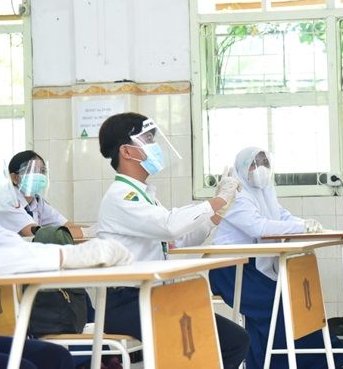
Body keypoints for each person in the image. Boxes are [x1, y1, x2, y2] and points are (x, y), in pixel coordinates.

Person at [0, 118, 133, 369]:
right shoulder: (6, 203)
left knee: (54, 357)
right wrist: (64, 257)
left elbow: (13, 244)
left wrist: (76, 252)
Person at [95, 112, 249, 369]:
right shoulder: (121, 196)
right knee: (226, 341)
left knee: (233, 339)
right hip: (126, 303)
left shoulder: (143, 195)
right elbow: (170, 225)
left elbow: (180, 238)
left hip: (154, 297)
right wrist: (216, 201)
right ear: (126, 151)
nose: (154, 147)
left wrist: (216, 214)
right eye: (146, 140)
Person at [208, 147, 343, 369]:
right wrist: (300, 226)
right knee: (283, 309)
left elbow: (282, 216)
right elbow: (258, 228)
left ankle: (266, 365)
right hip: (230, 270)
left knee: (278, 314)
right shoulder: (237, 195)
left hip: (253, 267)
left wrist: (308, 225)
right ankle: (338, 360)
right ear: (242, 168)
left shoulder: (265, 193)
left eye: (265, 162)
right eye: (254, 163)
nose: (261, 168)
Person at [0, 150, 84, 238]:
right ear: (15, 178)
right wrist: (83, 232)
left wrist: (90, 231)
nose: (39, 175)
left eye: (42, 171)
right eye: (32, 170)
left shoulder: (37, 201)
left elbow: (69, 226)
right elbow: (38, 235)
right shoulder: (7, 201)